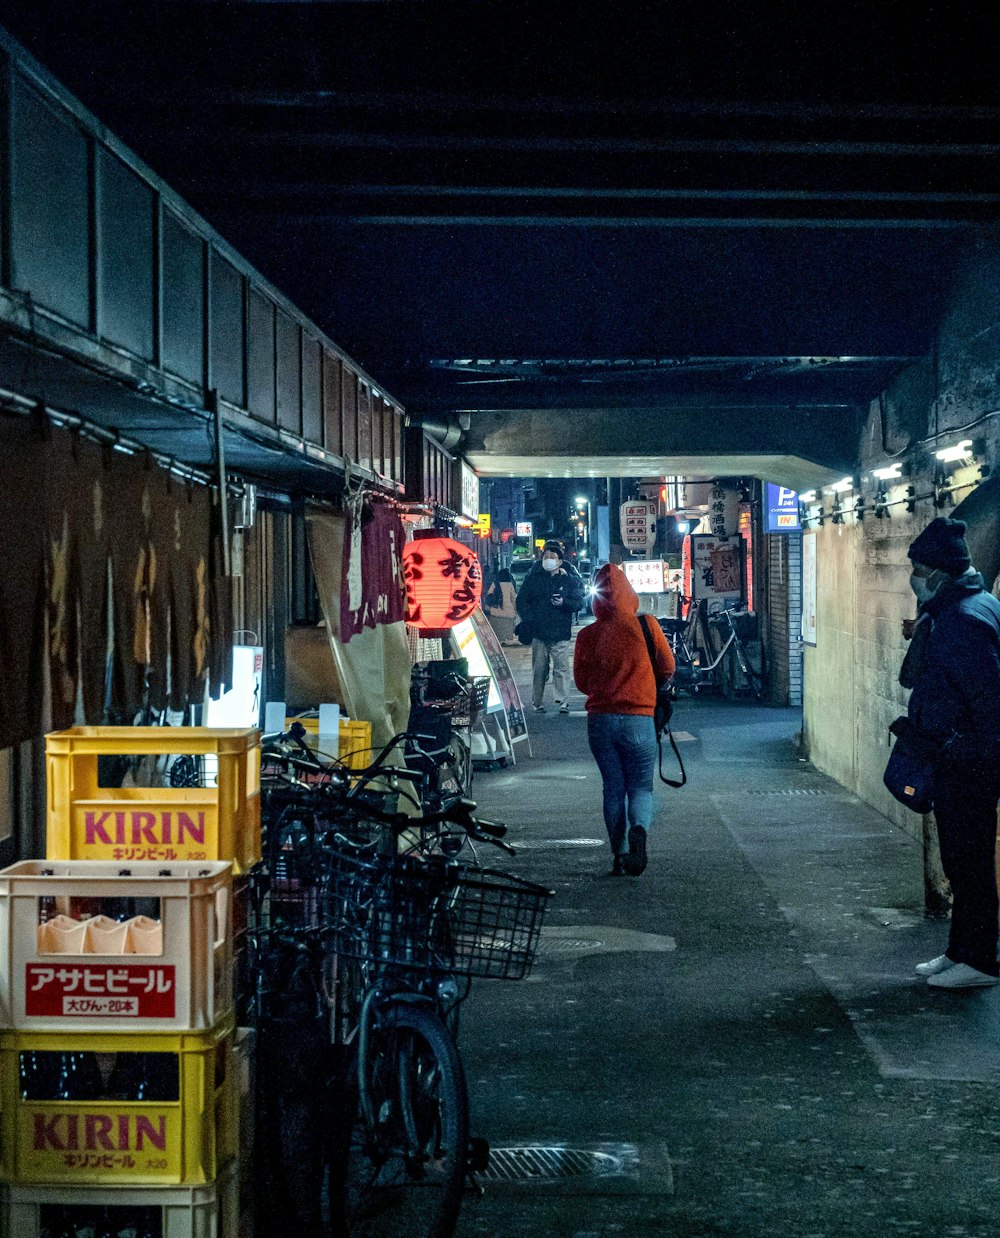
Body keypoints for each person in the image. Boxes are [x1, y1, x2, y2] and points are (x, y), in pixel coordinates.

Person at [891, 517, 1000, 989]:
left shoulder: (963, 622)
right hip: (958, 758)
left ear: (940, 571)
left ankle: (979, 961)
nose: (913, 575)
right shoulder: (968, 608)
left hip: (968, 764)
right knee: (960, 860)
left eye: (918, 567)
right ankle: (961, 952)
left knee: (970, 862)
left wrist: (978, 756)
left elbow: (988, 700)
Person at [574, 562, 675, 876]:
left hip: (601, 721)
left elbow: (580, 681)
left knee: (613, 788)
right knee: (641, 787)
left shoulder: (588, 634)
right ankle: (639, 831)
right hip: (639, 719)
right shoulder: (646, 625)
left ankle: (618, 854)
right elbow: (668, 667)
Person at [515, 541, 584, 713]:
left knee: (561, 668)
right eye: (546, 556)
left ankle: (563, 701)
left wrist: (563, 603)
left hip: (560, 631)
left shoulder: (568, 580)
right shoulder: (533, 578)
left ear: (560, 561)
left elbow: (578, 603)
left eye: (553, 557)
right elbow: (522, 601)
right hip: (539, 632)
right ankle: (537, 702)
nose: (549, 560)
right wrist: (530, 618)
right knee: (539, 670)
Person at [484, 567, 519, 646]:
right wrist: (515, 609)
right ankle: (507, 642)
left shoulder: (495, 583)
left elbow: (489, 596)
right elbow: (513, 598)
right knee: (507, 635)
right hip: (508, 613)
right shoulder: (510, 584)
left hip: (496, 612)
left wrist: (489, 608)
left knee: (498, 636)